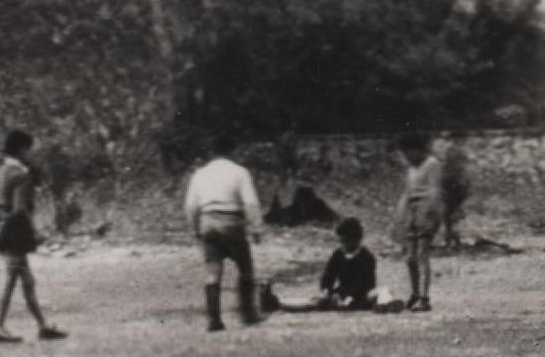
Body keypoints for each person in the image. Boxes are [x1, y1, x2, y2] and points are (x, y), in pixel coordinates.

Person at [0, 129, 68, 342]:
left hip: (6, 227)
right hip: (17, 229)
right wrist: (34, 233)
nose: (30, 154)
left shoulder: (0, 172)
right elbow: (21, 209)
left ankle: (43, 326)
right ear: (22, 149)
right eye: (28, 150)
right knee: (13, 279)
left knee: (27, 280)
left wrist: (1, 227)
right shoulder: (21, 175)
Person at [184, 133, 265, 332]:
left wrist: (195, 229)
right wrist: (256, 227)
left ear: (212, 152)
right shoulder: (240, 172)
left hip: (208, 221)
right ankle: (248, 314)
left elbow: (190, 206)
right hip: (231, 221)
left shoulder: (200, 173)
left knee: (213, 271)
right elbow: (250, 202)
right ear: (233, 150)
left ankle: (214, 319)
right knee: (245, 267)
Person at [260, 218, 404, 314]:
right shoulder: (338, 254)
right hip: (342, 295)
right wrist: (326, 290)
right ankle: (278, 303)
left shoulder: (367, 257)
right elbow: (328, 275)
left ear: (356, 240)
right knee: (314, 300)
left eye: (346, 241)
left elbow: (367, 283)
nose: (343, 245)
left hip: (361, 295)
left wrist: (350, 297)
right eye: (341, 242)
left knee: (382, 290)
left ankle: (384, 304)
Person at [393, 132, 442, 312]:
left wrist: (428, 216)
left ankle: (424, 297)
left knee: (422, 255)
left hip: (425, 211)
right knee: (410, 257)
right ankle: (414, 293)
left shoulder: (432, 164)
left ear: (417, 150)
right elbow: (407, 193)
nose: (406, 158)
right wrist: (401, 216)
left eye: (408, 153)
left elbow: (434, 192)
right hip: (411, 212)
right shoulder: (411, 168)